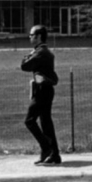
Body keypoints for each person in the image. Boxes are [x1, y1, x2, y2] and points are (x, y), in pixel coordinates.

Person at [21, 24, 61, 166]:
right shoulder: (44, 51)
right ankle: (54, 154)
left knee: (29, 121)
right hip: (45, 90)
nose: (30, 37)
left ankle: (47, 147)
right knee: (46, 123)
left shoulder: (40, 52)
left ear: (38, 37)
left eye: (31, 35)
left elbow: (24, 66)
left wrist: (28, 55)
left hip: (42, 91)